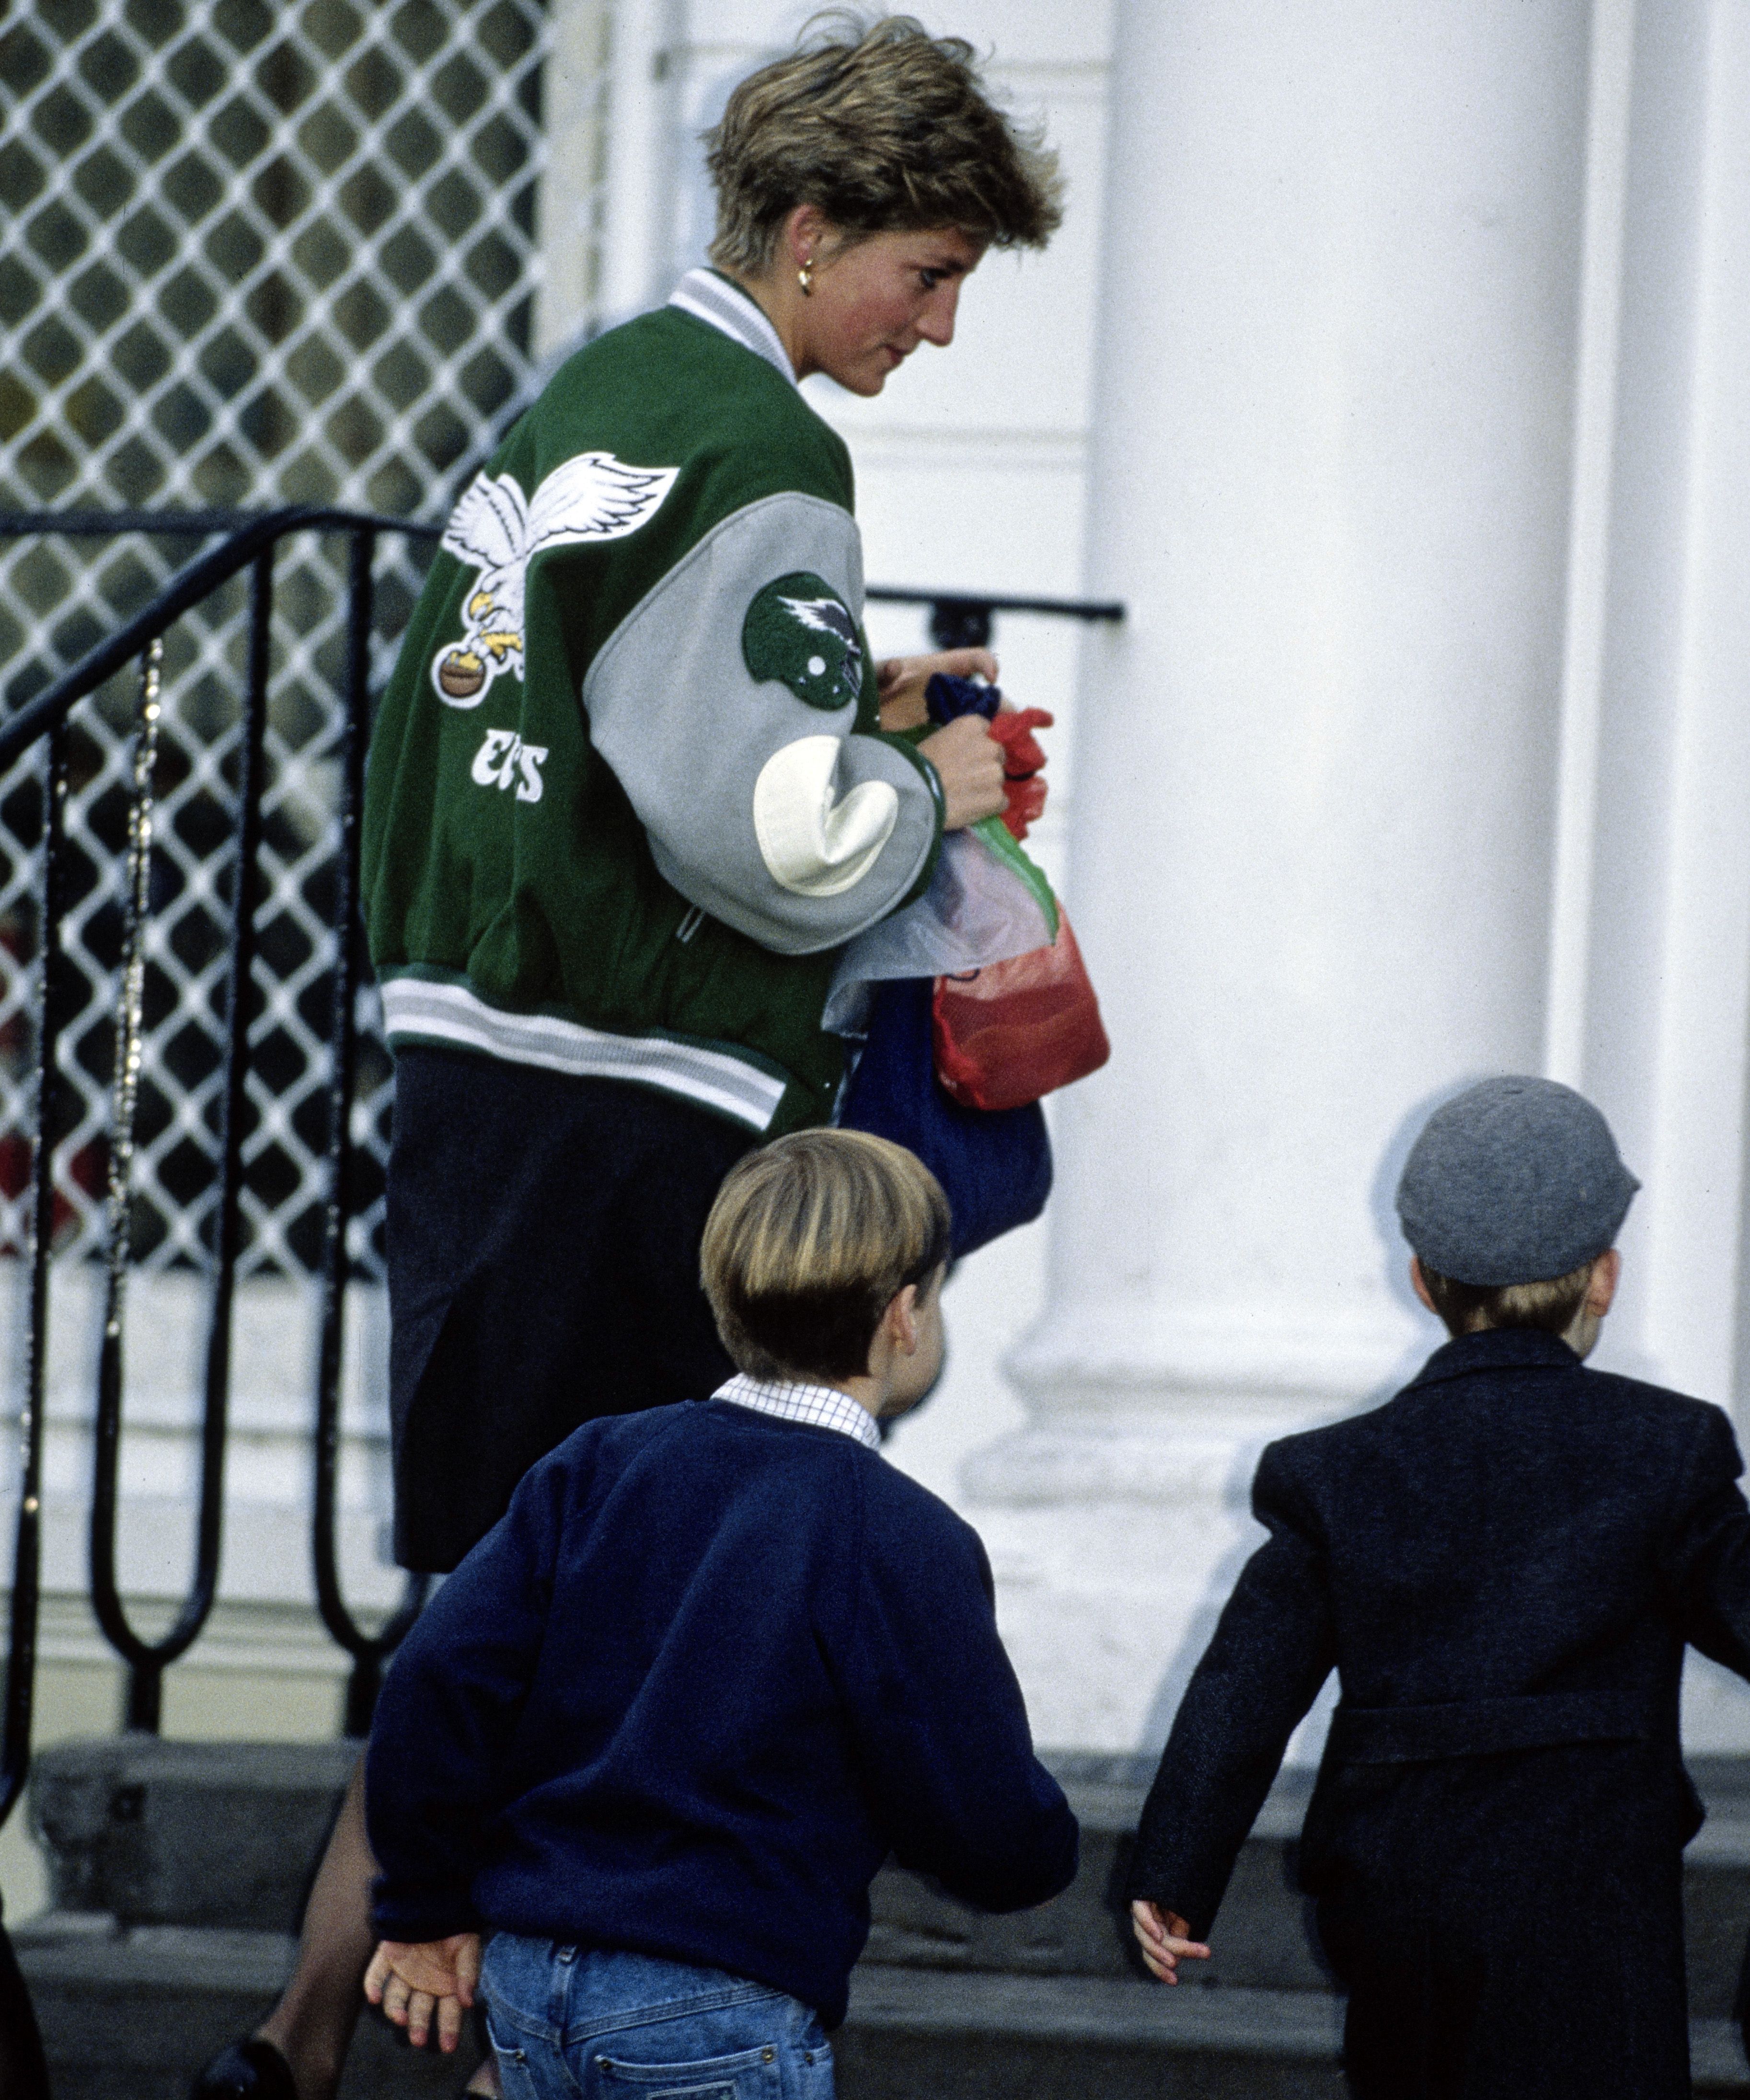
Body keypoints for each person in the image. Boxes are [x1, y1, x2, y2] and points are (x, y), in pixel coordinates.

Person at [193, 19, 1062, 2098]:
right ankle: (390, 2043)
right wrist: (919, 780)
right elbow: (769, 835)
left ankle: (299, 2043)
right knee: (601, 1628)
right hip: (635, 1091)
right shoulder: (769, 448)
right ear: (805, 224)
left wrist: (838, 683)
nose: (936, 330)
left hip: (488, 1065)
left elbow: (583, 699)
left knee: (504, 1588)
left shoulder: (601, 387)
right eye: (923, 273)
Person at [358, 1128, 1079, 2095]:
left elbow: (436, 1677)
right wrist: (1034, 1849)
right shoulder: (897, 1533)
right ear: (905, 1313)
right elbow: (982, 1815)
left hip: (531, 1980)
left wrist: (423, 1906)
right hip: (713, 1997)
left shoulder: (595, 1462)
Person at [1127, 1075, 1750, 2099]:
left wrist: (1174, 1867)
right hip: (1592, 1893)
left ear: (1420, 1279)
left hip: (1398, 1892)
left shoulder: (1334, 1469)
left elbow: (1245, 1682)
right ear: (1604, 1276)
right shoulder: (1664, 1448)